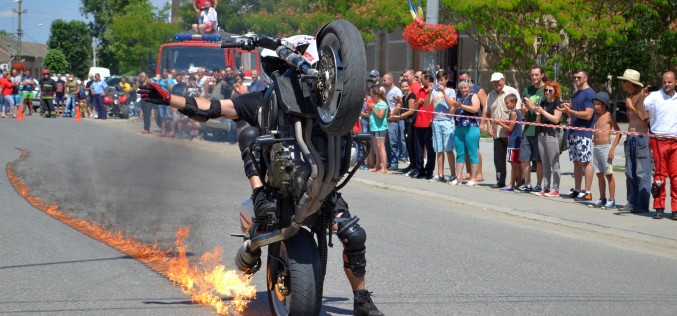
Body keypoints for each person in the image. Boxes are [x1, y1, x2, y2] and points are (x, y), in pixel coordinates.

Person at [138, 79, 384, 316]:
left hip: (320, 188)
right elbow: (214, 108)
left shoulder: (326, 103)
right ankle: (258, 195)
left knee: (353, 235)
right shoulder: (262, 101)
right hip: (275, 188)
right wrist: (170, 99)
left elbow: (354, 96)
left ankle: (361, 299)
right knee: (249, 134)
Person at [643, 71, 677, 220]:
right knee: (659, 177)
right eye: (664, 82)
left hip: (675, 142)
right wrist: (642, 95)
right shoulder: (653, 97)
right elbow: (642, 110)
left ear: (675, 82)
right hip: (658, 141)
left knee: (676, 178)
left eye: (669, 82)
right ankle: (659, 207)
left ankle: (675, 209)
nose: (666, 84)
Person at [617, 69, 651, 213]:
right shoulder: (631, 97)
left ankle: (642, 204)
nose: (622, 84)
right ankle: (632, 201)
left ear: (631, 83)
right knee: (630, 172)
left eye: (624, 81)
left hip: (641, 137)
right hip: (631, 137)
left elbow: (646, 118)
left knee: (642, 173)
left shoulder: (643, 98)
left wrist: (632, 108)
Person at [559, 69, 596, 201]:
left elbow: (588, 115)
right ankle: (578, 189)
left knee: (586, 161)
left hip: (584, 132)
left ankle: (587, 192)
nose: (576, 80)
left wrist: (572, 111)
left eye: (579, 77)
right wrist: (567, 110)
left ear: (586, 78)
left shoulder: (590, 93)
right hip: (573, 132)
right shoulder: (576, 94)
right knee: (576, 162)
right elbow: (573, 113)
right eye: (574, 77)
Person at [485, 72, 521, 189]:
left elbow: (519, 111)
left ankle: (518, 181)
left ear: (503, 80)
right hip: (497, 132)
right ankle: (500, 181)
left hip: (512, 133)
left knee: (514, 159)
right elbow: (488, 112)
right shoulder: (490, 95)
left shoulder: (512, 92)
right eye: (493, 82)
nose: (496, 84)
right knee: (499, 159)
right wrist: (489, 126)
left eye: (498, 81)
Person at [589, 92, 621, 209]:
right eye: (595, 104)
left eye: (598, 104)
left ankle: (611, 200)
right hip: (596, 148)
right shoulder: (596, 116)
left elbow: (618, 132)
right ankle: (602, 198)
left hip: (605, 148)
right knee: (599, 174)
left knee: (609, 175)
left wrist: (612, 149)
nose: (596, 106)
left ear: (605, 105)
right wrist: (594, 137)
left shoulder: (609, 116)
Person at [531, 81, 563, 197]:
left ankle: (556, 188)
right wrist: (538, 114)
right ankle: (546, 187)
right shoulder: (543, 103)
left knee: (554, 163)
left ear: (555, 92)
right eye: (546, 90)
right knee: (545, 163)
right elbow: (538, 123)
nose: (548, 93)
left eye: (550, 90)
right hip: (542, 135)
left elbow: (556, 119)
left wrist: (543, 111)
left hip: (552, 135)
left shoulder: (557, 103)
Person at [519, 65, 546, 192]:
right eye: (532, 75)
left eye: (536, 75)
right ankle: (527, 183)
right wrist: (524, 110)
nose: (534, 77)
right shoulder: (527, 90)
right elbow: (523, 112)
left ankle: (539, 184)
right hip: (528, 129)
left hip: (540, 130)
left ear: (542, 75)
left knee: (539, 160)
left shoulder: (547, 90)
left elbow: (546, 110)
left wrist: (531, 106)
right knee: (525, 158)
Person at [450, 79, 481, 186]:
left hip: (471, 127)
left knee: (472, 153)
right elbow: (451, 113)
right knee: (460, 153)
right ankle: (458, 178)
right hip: (459, 128)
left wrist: (461, 106)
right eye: (462, 88)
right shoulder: (458, 98)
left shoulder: (474, 96)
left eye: (465, 87)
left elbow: (475, 109)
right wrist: (454, 106)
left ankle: (474, 178)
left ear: (470, 88)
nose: (463, 89)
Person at [427, 69, 456, 182]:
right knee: (439, 148)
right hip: (436, 121)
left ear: (446, 80)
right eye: (438, 80)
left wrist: (443, 92)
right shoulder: (434, 92)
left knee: (448, 148)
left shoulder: (451, 91)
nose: (440, 82)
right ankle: (440, 174)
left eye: (442, 80)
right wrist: (430, 92)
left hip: (447, 121)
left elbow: (451, 105)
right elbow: (426, 104)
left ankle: (453, 174)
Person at [457, 70, 486, 182]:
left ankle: (479, 173)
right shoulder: (460, 91)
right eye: (460, 80)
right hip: (462, 124)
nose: (463, 82)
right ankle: (469, 172)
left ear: (470, 78)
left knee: (474, 149)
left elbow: (484, 107)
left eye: (465, 79)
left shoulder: (478, 90)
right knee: (465, 150)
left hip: (474, 122)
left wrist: (483, 122)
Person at [495, 94, 522, 191]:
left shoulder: (513, 113)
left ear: (513, 102)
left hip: (513, 140)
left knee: (513, 163)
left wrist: (500, 123)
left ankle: (512, 184)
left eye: (507, 103)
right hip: (517, 140)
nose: (506, 105)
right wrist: (505, 121)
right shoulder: (516, 112)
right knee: (518, 163)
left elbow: (510, 128)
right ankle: (519, 183)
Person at [413, 71, 436, 180]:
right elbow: (415, 106)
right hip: (419, 122)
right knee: (419, 148)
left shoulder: (435, 91)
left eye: (422, 78)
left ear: (428, 79)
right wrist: (418, 102)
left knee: (430, 149)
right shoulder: (420, 90)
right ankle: (419, 169)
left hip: (429, 122)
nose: (421, 80)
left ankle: (429, 170)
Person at [401, 69, 423, 177]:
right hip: (409, 120)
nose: (405, 78)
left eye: (407, 76)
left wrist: (401, 116)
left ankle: (416, 167)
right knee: (409, 144)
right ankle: (412, 165)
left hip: (413, 120)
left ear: (413, 76)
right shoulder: (408, 90)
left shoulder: (415, 87)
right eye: (404, 76)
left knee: (413, 145)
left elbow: (413, 107)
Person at [383, 73, 406, 170]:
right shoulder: (386, 90)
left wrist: (392, 115)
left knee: (393, 142)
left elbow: (399, 105)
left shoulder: (396, 91)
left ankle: (394, 162)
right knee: (387, 143)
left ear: (391, 80)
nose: (383, 82)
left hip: (393, 120)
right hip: (386, 119)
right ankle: (388, 161)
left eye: (385, 80)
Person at [368, 86, 389, 173]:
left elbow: (380, 116)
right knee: (377, 148)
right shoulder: (376, 104)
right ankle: (377, 167)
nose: (371, 98)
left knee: (381, 147)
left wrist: (373, 108)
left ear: (376, 95)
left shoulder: (382, 104)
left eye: (372, 96)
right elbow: (370, 116)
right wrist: (370, 109)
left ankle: (384, 167)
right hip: (374, 128)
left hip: (380, 129)